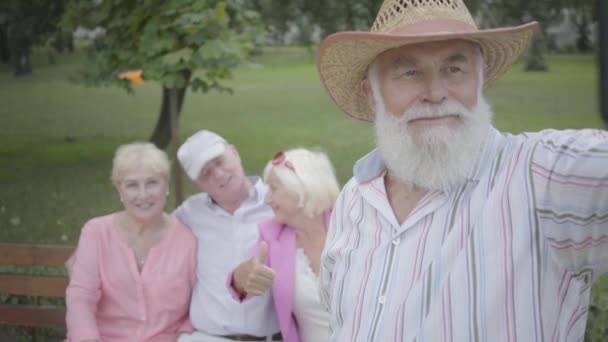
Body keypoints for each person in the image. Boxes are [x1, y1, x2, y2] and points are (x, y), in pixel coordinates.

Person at [316, 0, 608, 341]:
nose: (436, 93)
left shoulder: (542, 178)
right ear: (372, 94)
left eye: (455, 69)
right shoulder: (354, 198)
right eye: (410, 72)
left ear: (480, 81)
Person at [65, 142, 197, 342]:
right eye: (132, 185)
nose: (143, 195)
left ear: (166, 185)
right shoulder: (96, 232)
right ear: (120, 190)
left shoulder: (187, 241)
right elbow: (81, 297)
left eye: (152, 182)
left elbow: (196, 309)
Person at [174, 130, 282, 342]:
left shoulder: (277, 201)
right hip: (208, 337)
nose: (218, 174)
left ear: (234, 152)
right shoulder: (189, 214)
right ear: (196, 182)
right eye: (205, 172)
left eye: (219, 161)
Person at [230, 148, 340, 342]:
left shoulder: (351, 226)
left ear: (301, 188)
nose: (266, 199)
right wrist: (242, 278)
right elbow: (245, 281)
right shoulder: (271, 235)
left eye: (273, 188)